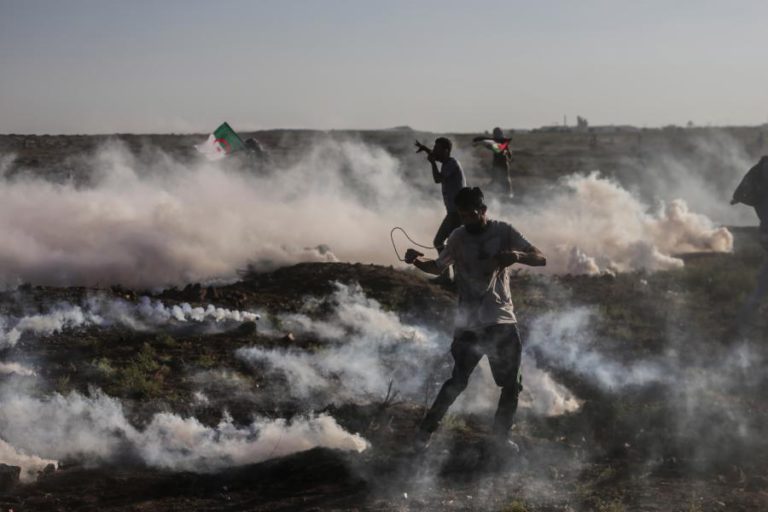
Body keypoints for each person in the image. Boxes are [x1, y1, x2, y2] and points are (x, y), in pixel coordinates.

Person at [403, 186, 546, 449]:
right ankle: (424, 434)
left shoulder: (504, 231)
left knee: (511, 385)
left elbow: (540, 258)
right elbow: (437, 267)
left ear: (483, 210)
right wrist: (416, 260)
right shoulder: (457, 237)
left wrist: (517, 256)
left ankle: (500, 440)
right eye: (461, 216)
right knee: (457, 381)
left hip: (501, 321)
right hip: (469, 323)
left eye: (470, 214)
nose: (466, 220)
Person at [415, 137, 467, 282]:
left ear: (446, 150)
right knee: (442, 243)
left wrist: (432, 163)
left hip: (457, 213)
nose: (434, 151)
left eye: (437, 148)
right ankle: (449, 275)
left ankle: (452, 277)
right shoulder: (447, 162)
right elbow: (436, 157)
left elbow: (438, 179)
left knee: (448, 244)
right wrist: (425, 148)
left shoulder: (451, 164)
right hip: (453, 212)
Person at [732, 156, 768, 323]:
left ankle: (746, 320)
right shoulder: (762, 169)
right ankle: (747, 320)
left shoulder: (759, 168)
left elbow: (742, 193)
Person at [473, 127, 513, 197]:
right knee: (497, 180)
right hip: (498, 165)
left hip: (502, 165)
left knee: (503, 181)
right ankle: (504, 194)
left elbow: (495, 148)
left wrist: (480, 142)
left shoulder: (502, 145)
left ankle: (508, 195)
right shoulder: (502, 144)